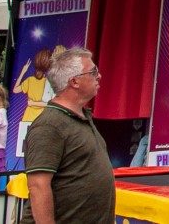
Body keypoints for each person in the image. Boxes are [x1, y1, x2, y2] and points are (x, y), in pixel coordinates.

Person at [21, 48, 112, 224]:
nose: (99, 76)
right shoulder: (49, 124)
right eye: (93, 71)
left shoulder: (81, 117)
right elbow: (38, 186)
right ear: (74, 81)